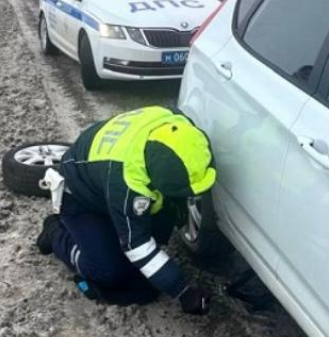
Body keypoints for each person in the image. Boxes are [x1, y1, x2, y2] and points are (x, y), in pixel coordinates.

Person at [36, 106, 216, 314]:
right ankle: (57, 233)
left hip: (103, 180)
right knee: (108, 272)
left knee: (145, 264)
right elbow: (137, 246)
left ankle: (107, 232)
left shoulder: (183, 130)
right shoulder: (128, 183)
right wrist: (183, 291)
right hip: (79, 197)